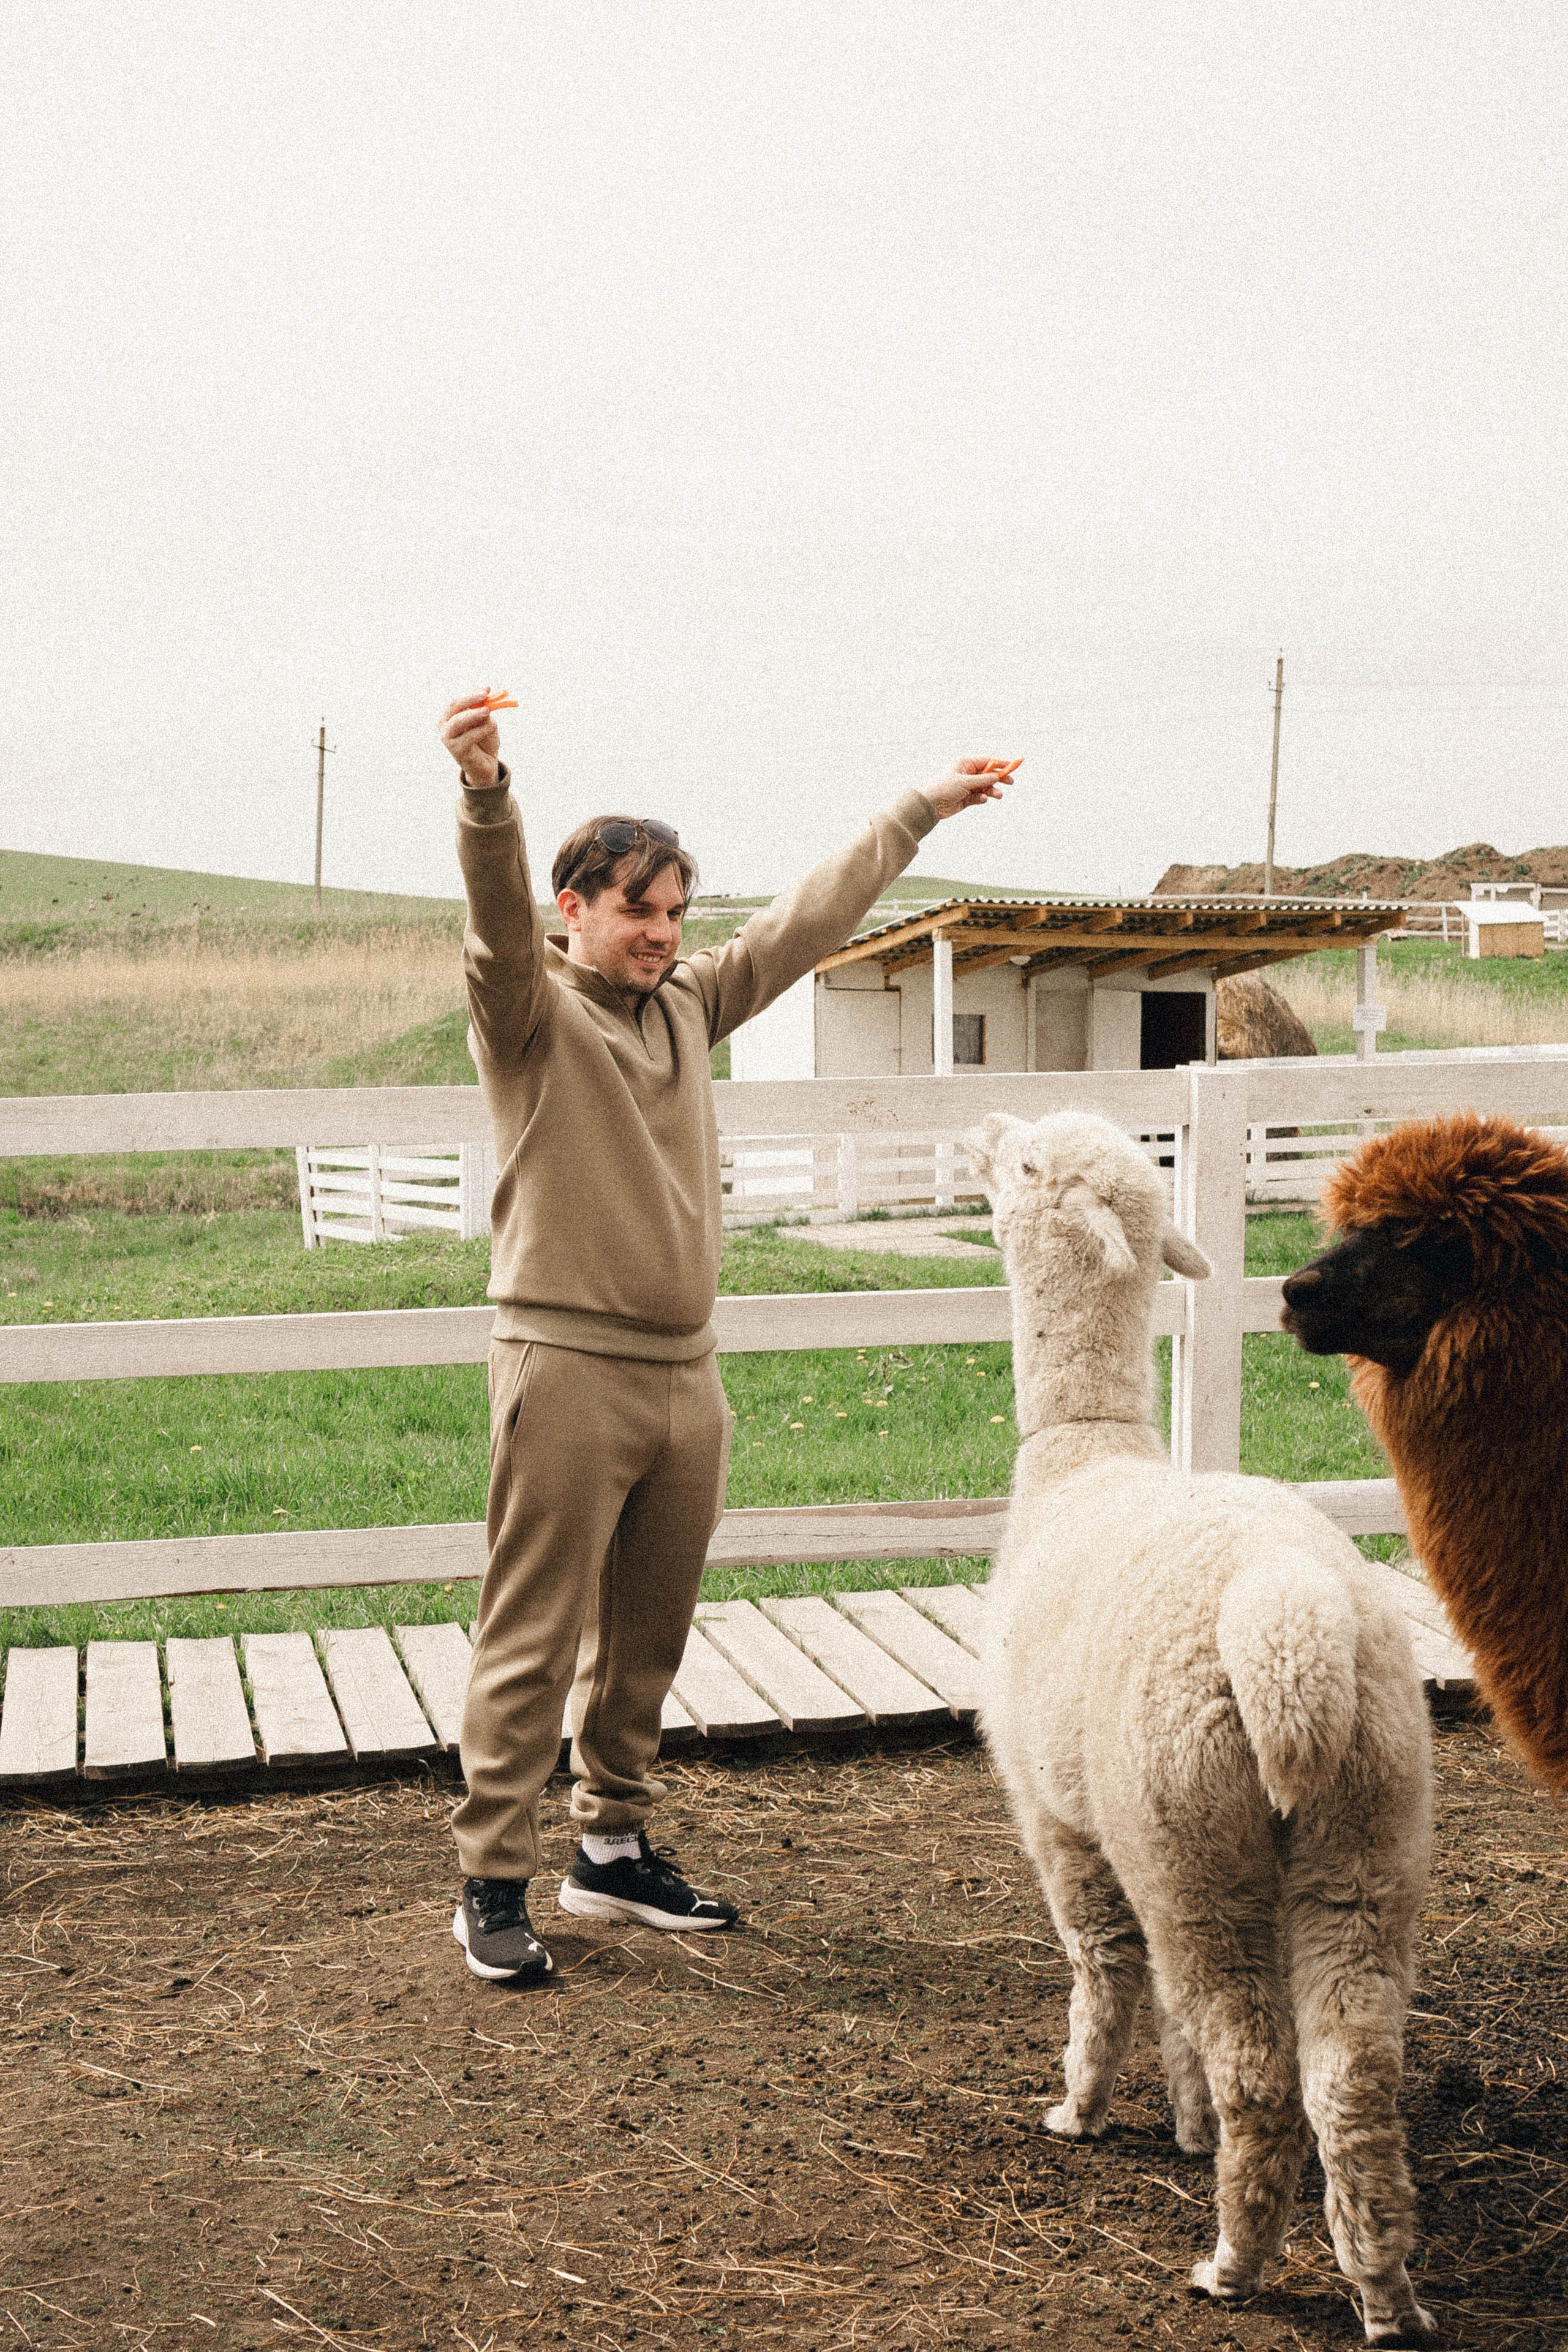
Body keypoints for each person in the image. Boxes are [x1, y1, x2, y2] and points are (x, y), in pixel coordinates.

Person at [438, 689, 1020, 1981]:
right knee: (531, 1635)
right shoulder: (528, 1015)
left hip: (685, 1376)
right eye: (636, 909)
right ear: (573, 911)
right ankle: (492, 1880)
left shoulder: (689, 1007)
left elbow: (803, 922)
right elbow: (491, 928)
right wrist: (486, 795)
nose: (660, 932)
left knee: (647, 1639)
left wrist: (919, 809)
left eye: (674, 912)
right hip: (564, 1369)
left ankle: (609, 1852)